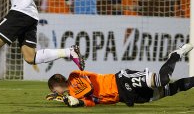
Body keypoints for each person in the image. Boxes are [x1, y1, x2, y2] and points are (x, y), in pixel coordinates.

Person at [47, 43, 194, 107]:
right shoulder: (73, 94)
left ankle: (175, 54)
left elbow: (88, 89)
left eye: (54, 90)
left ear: (57, 83)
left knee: (163, 80)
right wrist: (79, 103)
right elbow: (91, 102)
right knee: (171, 90)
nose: (55, 92)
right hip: (125, 97)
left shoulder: (74, 76)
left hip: (122, 81)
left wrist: (69, 98)